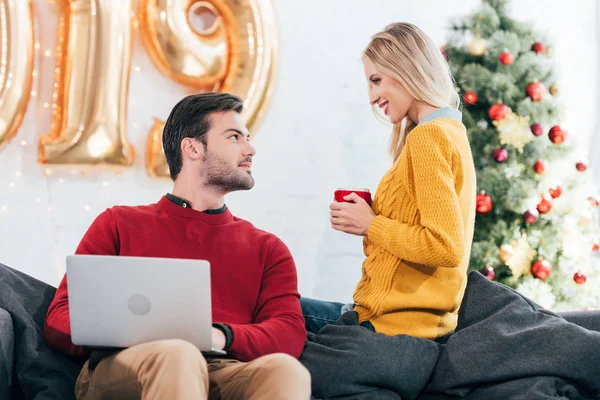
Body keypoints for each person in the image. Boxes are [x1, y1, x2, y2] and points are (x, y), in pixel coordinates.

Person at [44, 92, 311, 400]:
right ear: (193, 148)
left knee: (285, 370)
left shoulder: (268, 248)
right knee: (177, 354)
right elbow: (59, 318)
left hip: (222, 366)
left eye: (247, 137)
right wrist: (131, 331)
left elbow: (289, 332)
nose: (250, 149)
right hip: (127, 368)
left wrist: (218, 335)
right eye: (234, 137)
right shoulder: (118, 223)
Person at [302, 22, 477, 341]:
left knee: (265, 308)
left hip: (390, 326)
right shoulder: (450, 133)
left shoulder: (429, 137)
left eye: (376, 81)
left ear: (405, 68)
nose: (372, 97)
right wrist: (374, 216)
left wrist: (372, 224)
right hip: (398, 321)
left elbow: (445, 246)